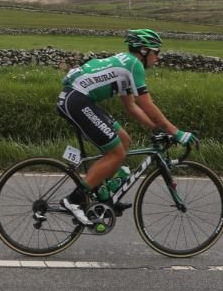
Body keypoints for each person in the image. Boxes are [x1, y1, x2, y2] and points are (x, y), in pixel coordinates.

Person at [56, 28, 196, 225]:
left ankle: (103, 195)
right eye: (156, 52)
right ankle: (74, 200)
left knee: (124, 141)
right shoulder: (134, 65)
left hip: (78, 99)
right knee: (116, 153)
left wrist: (156, 129)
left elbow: (131, 106)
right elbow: (146, 103)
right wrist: (176, 132)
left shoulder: (126, 63)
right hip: (77, 101)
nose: (158, 57)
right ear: (144, 51)